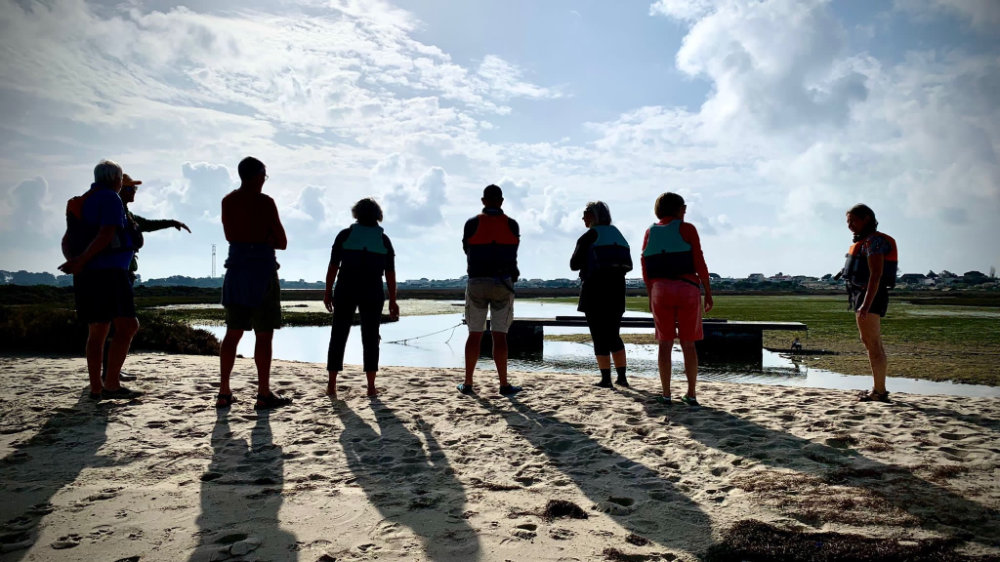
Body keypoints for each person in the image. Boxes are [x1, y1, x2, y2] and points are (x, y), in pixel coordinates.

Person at [58, 160, 142, 401]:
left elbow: (67, 239)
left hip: (87, 275)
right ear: (116, 179)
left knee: (97, 331)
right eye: (121, 180)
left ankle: (96, 388)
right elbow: (106, 234)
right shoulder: (110, 198)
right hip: (110, 273)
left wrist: (75, 262)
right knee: (128, 326)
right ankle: (112, 384)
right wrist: (81, 260)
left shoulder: (80, 201)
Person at [217, 157, 291, 410]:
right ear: (257, 176)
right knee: (264, 333)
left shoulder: (228, 201)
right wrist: (264, 237)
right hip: (261, 271)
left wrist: (251, 238)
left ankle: (224, 391)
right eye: (264, 176)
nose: (264, 180)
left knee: (233, 332)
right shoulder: (265, 202)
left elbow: (230, 235)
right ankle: (263, 392)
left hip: (237, 270)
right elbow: (282, 242)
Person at [641, 192, 713, 406]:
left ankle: (666, 394)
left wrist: (650, 295)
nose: (685, 211)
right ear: (678, 209)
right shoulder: (687, 229)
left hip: (660, 289)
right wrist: (708, 292)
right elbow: (699, 262)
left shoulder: (650, 232)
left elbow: (646, 268)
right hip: (687, 288)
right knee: (688, 344)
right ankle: (691, 394)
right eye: (684, 208)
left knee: (664, 343)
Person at [324, 198, 399, 399]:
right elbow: (390, 273)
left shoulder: (345, 235)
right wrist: (393, 300)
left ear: (356, 214)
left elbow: (333, 266)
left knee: (338, 335)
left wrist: (327, 291)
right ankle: (371, 387)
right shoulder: (383, 239)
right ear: (378, 215)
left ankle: (331, 385)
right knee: (371, 337)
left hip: (346, 287)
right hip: (372, 289)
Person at [459, 184, 522, 396]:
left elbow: (466, 248)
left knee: (474, 334)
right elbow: (513, 250)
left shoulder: (472, 223)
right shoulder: (511, 224)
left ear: (483, 201)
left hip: (477, 281)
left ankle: (468, 383)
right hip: (503, 283)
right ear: (501, 201)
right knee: (500, 335)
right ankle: (503, 384)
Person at [569, 201, 633, 388]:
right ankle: (622, 377)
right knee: (614, 334)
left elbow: (574, 264)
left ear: (593, 216)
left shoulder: (589, 236)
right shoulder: (617, 234)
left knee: (598, 335)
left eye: (585, 214)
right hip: (617, 290)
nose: (582, 218)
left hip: (594, 290)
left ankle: (606, 379)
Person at [843, 204, 898, 403]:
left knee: (873, 344)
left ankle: (879, 392)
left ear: (866, 219)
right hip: (865, 294)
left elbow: (876, 275)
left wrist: (865, 305)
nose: (850, 225)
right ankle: (878, 389)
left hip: (870, 295)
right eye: (848, 222)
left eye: (853, 221)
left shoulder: (874, 242)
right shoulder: (866, 242)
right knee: (870, 342)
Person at [119, 173, 191, 285]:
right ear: (119, 190)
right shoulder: (116, 214)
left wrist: (172, 223)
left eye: (135, 188)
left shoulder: (129, 216)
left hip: (126, 272)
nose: (134, 191)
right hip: (118, 272)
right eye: (130, 188)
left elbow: (149, 224)